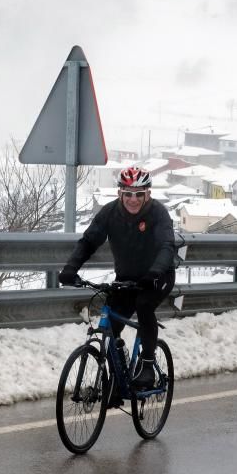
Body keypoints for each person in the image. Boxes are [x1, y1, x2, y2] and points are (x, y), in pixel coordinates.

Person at [58, 166, 176, 392]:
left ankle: (148, 364)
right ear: (119, 193)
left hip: (157, 277)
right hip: (127, 278)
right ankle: (116, 381)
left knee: (143, 305)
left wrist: (154, 272)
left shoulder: (158, 213)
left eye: (139, 194)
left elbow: (166, 246)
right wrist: (70, 269)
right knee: (111, 326)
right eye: (128, 193)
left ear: (148, 194)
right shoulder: (109, 213)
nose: (133, 199)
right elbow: (88, 242)